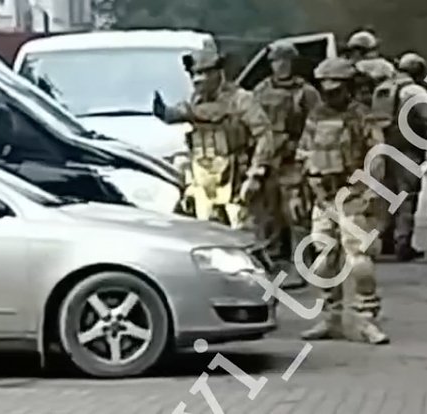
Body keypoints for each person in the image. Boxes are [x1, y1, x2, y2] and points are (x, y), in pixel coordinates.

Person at [296, 56, 389, 345]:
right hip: (323, 196)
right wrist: (304, 189)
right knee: (323, 262)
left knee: (359, 261)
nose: (330, 94)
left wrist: (369, 191)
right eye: (325, 88)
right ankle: (330, 317)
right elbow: (304, 153)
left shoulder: (362, 117)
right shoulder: (316, 117)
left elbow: (377, 156)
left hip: (352, 195)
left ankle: (366, 318)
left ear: (348, 87)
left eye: (336, 88)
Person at [152, 40, 275, 234]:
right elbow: (180, 115)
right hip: (205, 183)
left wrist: (256, 174)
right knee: (207, 235)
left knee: (244, 235)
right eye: (195, 74)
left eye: (204, 73)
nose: (198, 80)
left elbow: (265, 136)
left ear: (217, 73)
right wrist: (164, 112)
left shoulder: (241, 99)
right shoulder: (196, 100)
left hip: (236, 182)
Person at [252, 40, 321, 268]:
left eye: (285, 61)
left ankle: (301, 262)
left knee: (296, 213)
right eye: (276, 61)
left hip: (293, 161)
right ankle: (271, 263)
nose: (281, 66)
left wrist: (303, 151)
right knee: (267, 214)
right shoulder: (260, 91)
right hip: (268, 160)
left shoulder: (306, 92)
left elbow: (317, 124)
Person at [371, 52, 427, 261]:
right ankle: (402, 242)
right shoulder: (414, 91)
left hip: (381, 147)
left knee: (385, 195)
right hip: (406, 149)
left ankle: (383, 241)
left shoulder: (382, 89)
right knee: (406, 196)